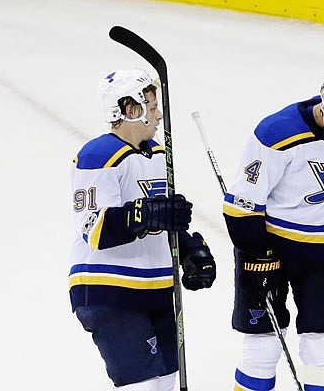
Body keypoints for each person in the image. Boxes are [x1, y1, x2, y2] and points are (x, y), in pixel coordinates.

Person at [222, 57, 324, 391]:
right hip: (268, 250)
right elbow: (241, 205)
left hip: (323, 257)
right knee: (262, 351)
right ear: (323, 91)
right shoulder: (276, 133)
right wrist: (256, 252)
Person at [69, 69, 216, 391]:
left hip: (158, 289)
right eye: (151, 106)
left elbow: (160, 217)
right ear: (129, 109)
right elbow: (94, 230)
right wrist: (144, 215)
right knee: (143, 386)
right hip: (110, 289)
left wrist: (186, 247)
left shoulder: (158, 154)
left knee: (165, 383)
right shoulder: (98, 155)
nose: (159, 114)